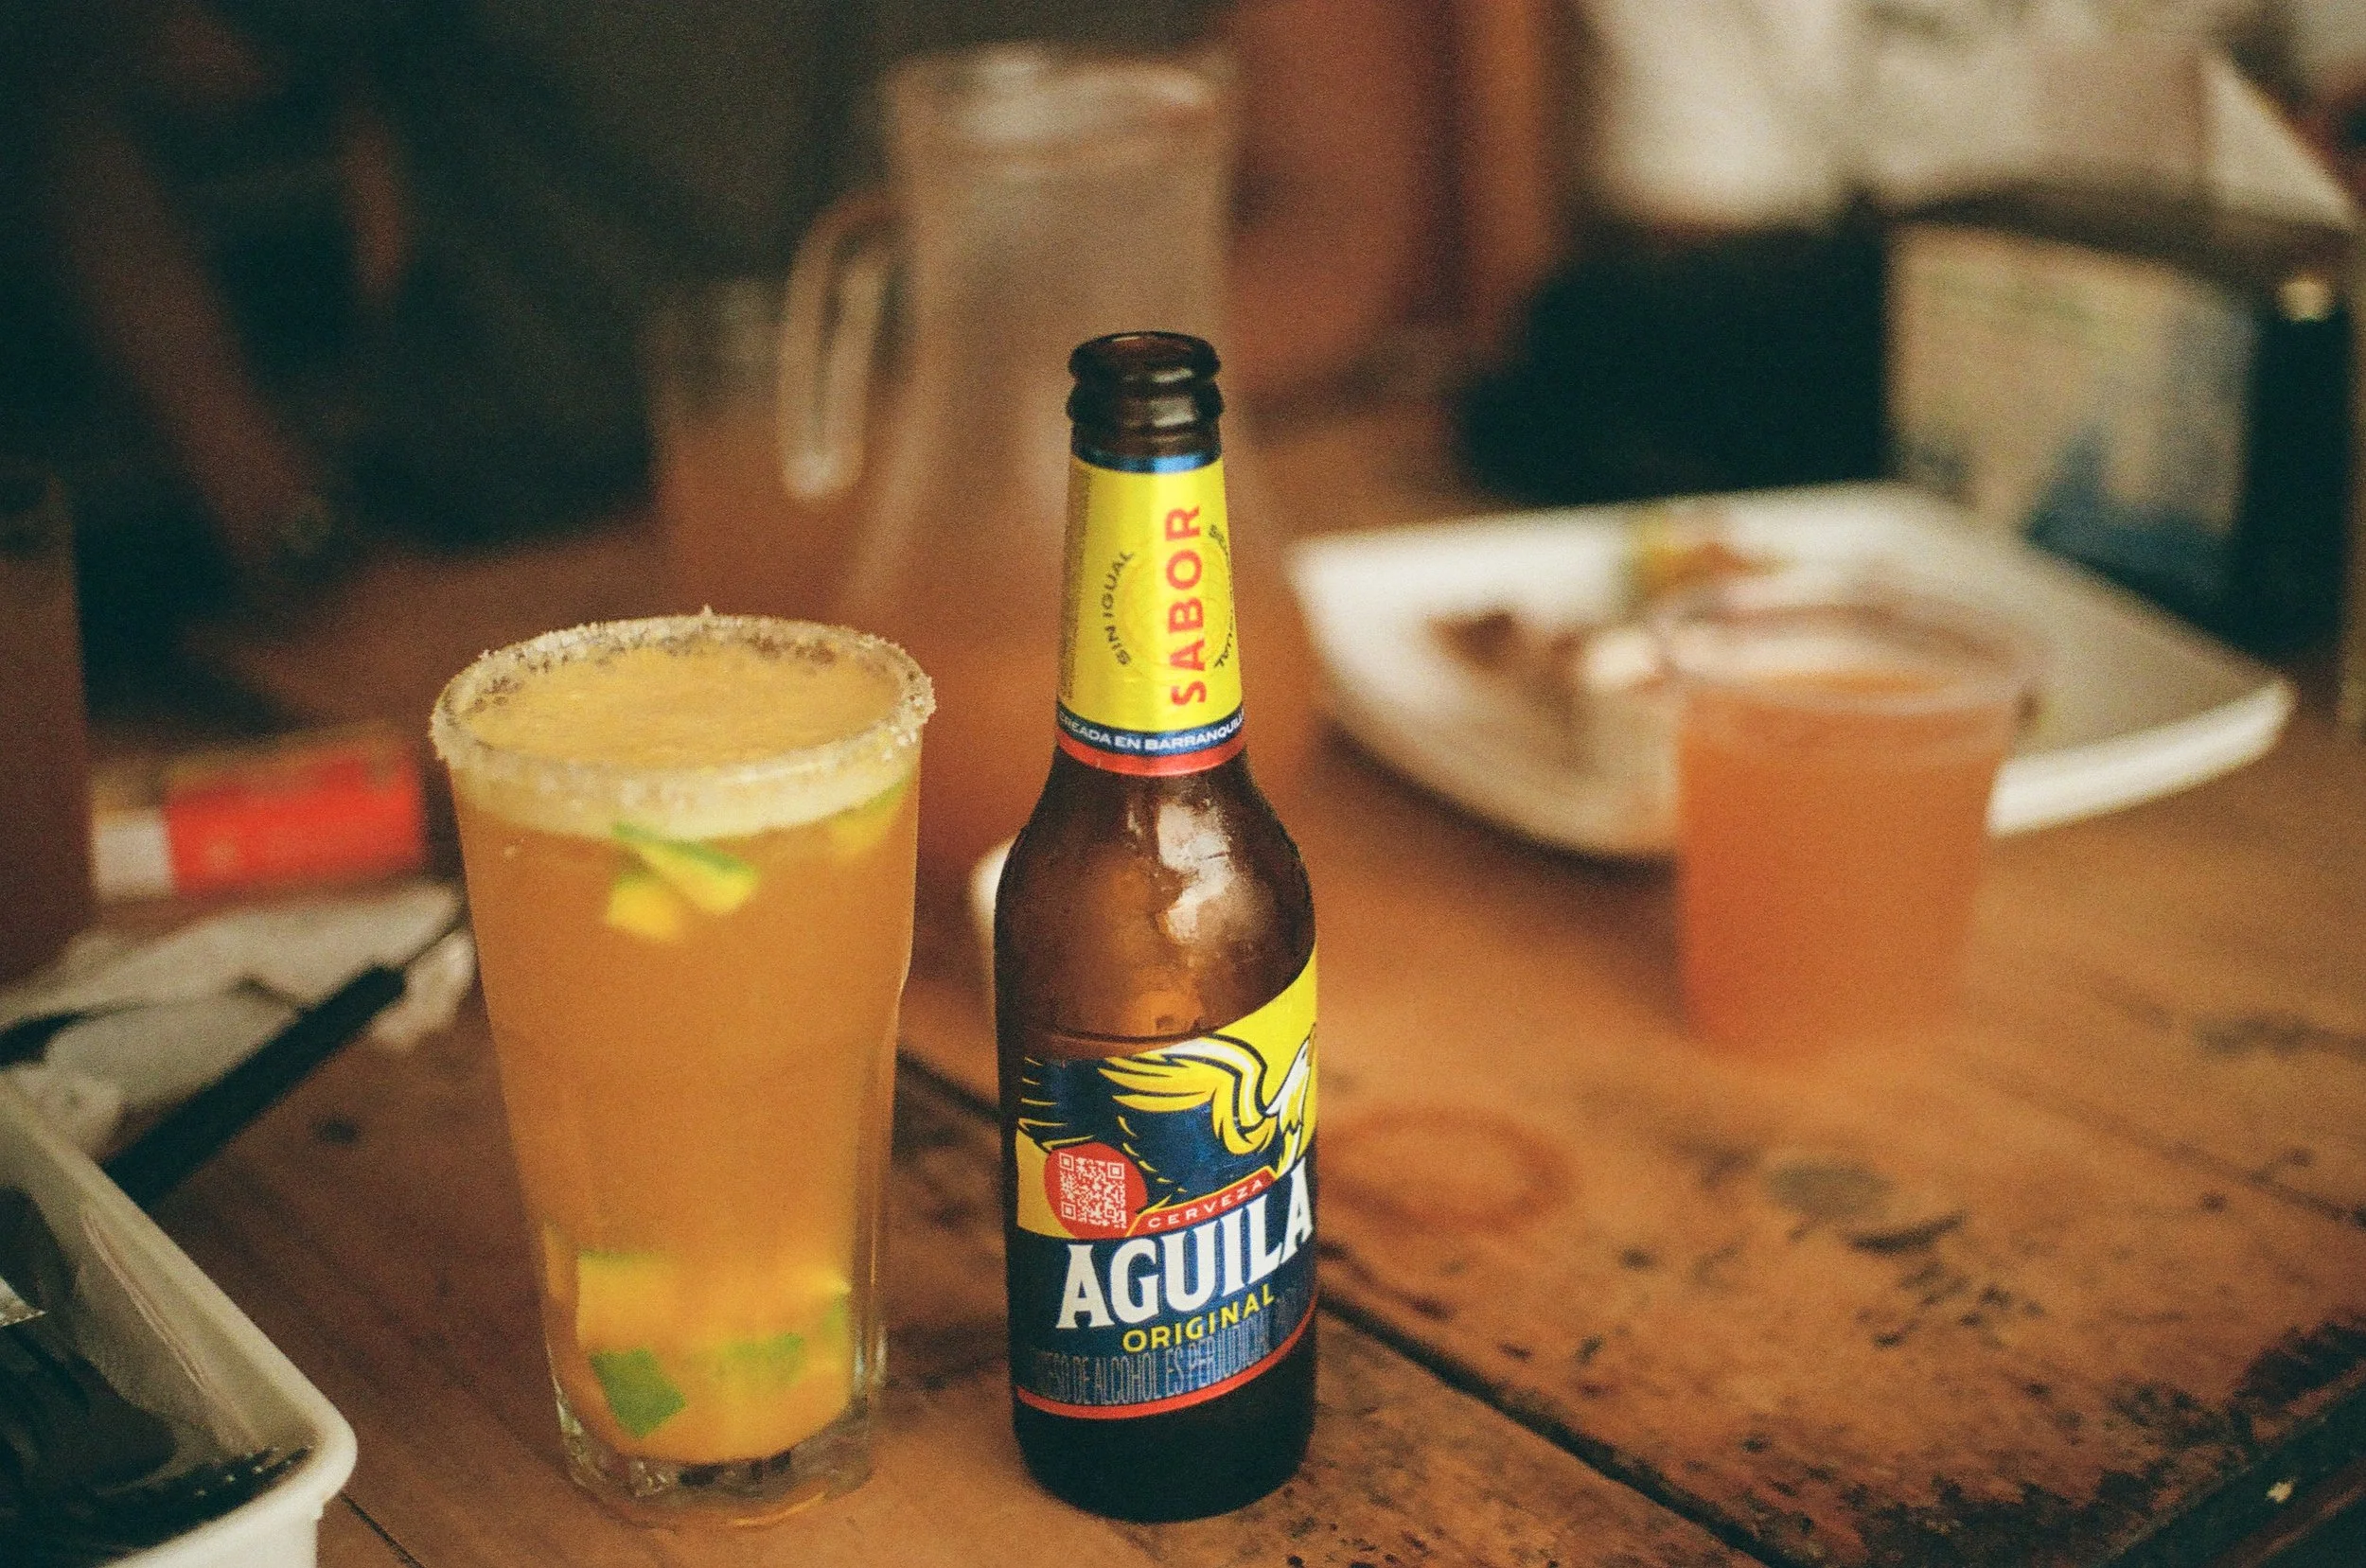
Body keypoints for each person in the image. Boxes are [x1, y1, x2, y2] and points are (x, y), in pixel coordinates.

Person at [17, 0, 1442, 661]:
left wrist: (978, 425)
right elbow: (61, 87)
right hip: (513, 590)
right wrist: (289, 527)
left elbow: (1342, 212)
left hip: (1043, 572)